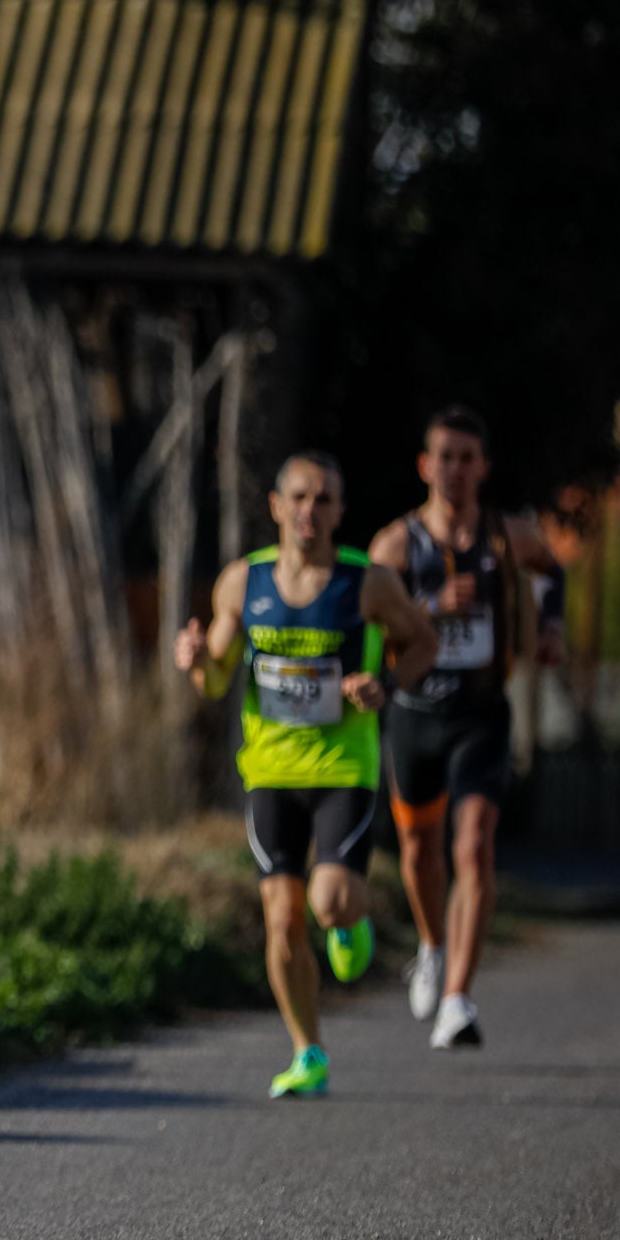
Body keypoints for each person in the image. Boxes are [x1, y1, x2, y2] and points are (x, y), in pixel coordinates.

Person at [177, 452, 437, 1099]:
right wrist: (193, 661)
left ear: (338, 512)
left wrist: (385, 684)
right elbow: (215, 676)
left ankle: (352, 918)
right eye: (298, 498)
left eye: (322, 500)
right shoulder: (243, 583)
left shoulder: (368, 582)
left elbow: (424, 641)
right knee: (282, 919)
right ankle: (307, 1051)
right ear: (276, 506)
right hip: (268, 771)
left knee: (326, 903)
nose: (308, 512)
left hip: (343, 767)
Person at [365, 407, 564, 1050]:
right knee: (419, 850)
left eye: (466, 457)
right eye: (443, 456)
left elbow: (552, 571)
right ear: (426, 466)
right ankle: (430, 945)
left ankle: (458, 999)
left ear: (484, 467)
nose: (454, 469)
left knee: (474, 846)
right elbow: (369, 620)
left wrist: (551, 626)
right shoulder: (396, 546)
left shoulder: (509, 536)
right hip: (415, 713)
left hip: (481, 712)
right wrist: (428, 609)